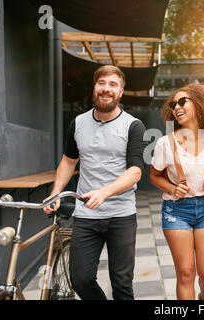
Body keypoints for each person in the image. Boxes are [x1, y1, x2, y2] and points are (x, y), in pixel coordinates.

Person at [43, 65, 147, 300]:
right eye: (102, 83)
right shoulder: (78, 123)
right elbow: (69, 161)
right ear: (95, 87)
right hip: (86, 215)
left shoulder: (133, 125)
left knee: (121, 284)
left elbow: (135, 170)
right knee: (80, 280)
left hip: (121, 214)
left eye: (113, 85)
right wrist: (55, 193)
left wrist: (104, 192)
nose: (106, 89)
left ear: (121, 92)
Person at [149, 83, 204, 300]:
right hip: (176, 211)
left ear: (200, 105)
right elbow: (154, 176)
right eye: (173, 104)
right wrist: (173, 188)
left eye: (183, 101)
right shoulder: (165, 143)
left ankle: (203, 299)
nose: (177, 107)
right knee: (185, 273)